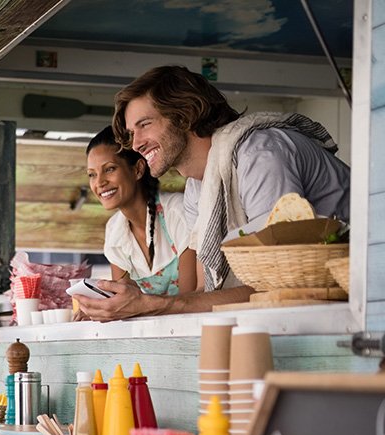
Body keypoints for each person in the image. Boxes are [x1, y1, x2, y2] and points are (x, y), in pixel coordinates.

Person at [77, 64, 351, 321]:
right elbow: (202, 293)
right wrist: (140, 305)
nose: (135, 143)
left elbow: (278, 287)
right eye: (130, 132)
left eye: (145, 124)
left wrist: (153, 304)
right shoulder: (199, 186)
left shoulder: (260, 154)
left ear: (184, 114)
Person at [85, 125, 198, 297]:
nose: (99, 182)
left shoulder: (176, 212)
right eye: (92, 174)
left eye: (109, 169)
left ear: (137, 169)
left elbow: (188, 300)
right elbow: (123, 302)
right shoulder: (115, 230)